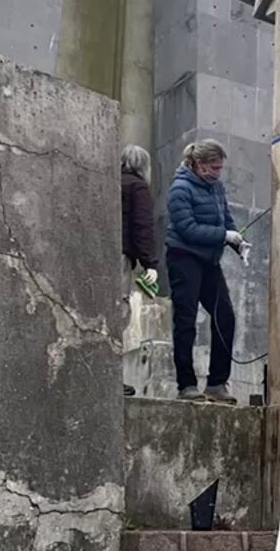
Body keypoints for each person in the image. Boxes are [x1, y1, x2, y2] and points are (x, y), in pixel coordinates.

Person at [165, 139, 246, 403]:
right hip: (183, 258)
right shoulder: (180, 189)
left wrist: (239, 243)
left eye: (220, 168)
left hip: (209, 261)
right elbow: (188, 229)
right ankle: (186, 384)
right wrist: (224, 235)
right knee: (186, 320)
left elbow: (226, 219)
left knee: (225, 316)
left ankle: (217, 383)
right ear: (199, 165)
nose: (218, 172)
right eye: (214, 167)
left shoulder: (216, 187)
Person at [121, 144, 158, 398]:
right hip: (121, 255)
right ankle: (114, 376)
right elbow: (142, 226)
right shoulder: (138, 187)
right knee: (119, 312)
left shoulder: (110, 182)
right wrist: (150, 264)